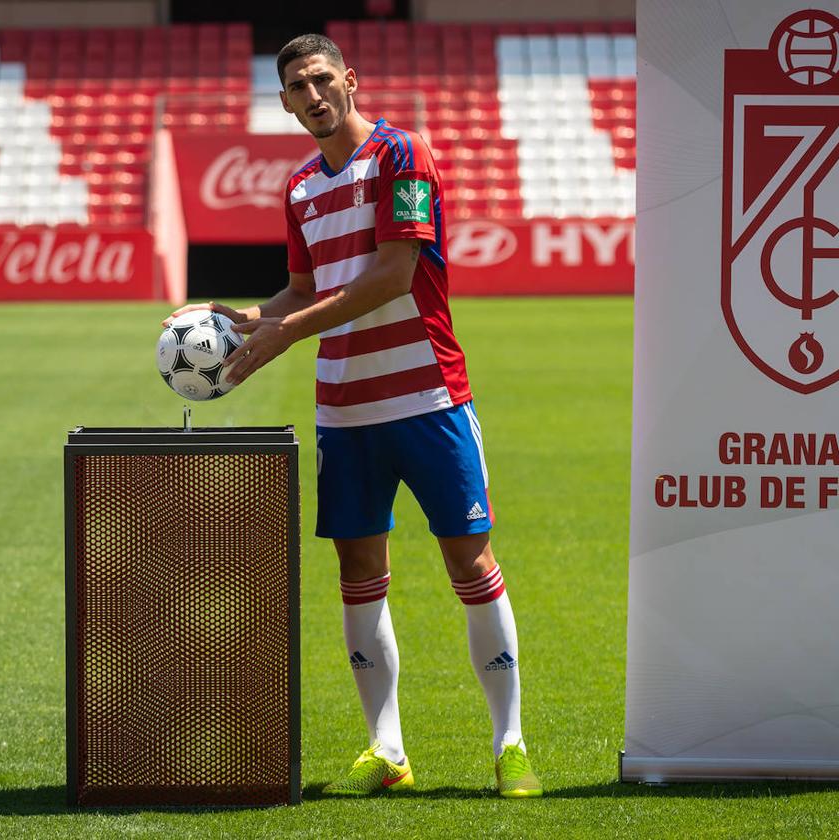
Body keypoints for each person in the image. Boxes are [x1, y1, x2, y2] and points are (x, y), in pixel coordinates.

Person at [164, 33, 541, 799]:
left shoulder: (405, 156)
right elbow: (303, 293)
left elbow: (396, 273)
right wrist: (247, 319)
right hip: (345, 410)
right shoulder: (300, 186)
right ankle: (387, 748)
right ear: (283, 101)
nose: (312, 94)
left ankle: (510, 744)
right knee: (359, 574)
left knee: (470, 565)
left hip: (428, 396)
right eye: (297, 86)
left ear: (350, 80)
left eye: (322, 79)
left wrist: (286, 335)